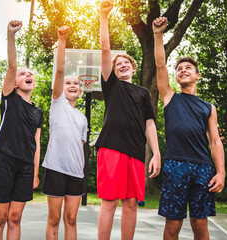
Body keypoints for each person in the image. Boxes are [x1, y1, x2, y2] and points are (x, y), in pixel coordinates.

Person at [153, 17, 225, 240]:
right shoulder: (169, 97)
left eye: (188, 68)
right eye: (180, 69)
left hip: (202, 168)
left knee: (200, 224)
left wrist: (220, 172)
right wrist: (158, 35)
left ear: (197, 75)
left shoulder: (208, 107)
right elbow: (160, 65)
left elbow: (215, 142)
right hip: (176, 165)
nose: (183, 70)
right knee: (173, 225)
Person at [97, 1, 161, 239]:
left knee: (132, 203)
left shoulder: (143, 93)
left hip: (135, 151)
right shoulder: (111, 86)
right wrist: (104, 17)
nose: (122, 65)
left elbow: (149, 124)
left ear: (133, 68)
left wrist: (156, 152)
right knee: (109, 203)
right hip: (111, 147)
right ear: (113, 71)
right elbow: (105, 49)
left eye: (126, 63)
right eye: (118, 64)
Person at [0, 20, 43, 240]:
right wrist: (11, 35)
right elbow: (11, 66)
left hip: (26, 166)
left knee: (16, 217)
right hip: (5, 160)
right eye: (22, 74)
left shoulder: (38, 113)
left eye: (30, 73)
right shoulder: (9, 98)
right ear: (15, 83)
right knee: (0, 217)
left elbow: (36, 144)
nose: (27, 75)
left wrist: (36, 172)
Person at [42, 26, 88, 240]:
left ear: (80, 90)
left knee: (71, 219)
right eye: (68, 83)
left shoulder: (82, 118)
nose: (71, 85)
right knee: (54, 219)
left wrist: (81, 170)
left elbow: (79, 146)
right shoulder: (57, 103)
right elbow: (60, 71)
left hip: (76, 174)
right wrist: (62, 41)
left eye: (75, 84)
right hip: (56, 169)